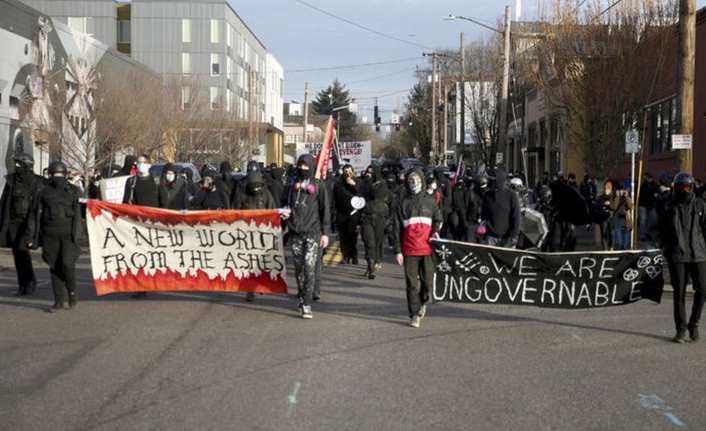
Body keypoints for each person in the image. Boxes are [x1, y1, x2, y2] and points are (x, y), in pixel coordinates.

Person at [25, 161, 83, 312]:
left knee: (67, 263)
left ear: (65, 175)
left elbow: (86, 208)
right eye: (55, 174)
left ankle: (71, 290)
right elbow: (33, 215)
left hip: (69, 235)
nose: (58, 177)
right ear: (50, 175)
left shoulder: (74, 191)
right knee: (54, 266)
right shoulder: (43, 192)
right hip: (50, 235)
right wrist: (30, 236)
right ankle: (58, 300)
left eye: (60, 174)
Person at [658, 172, 706, 343]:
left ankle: (694, 323)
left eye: (687, 187)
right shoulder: (668, 205)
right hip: (676, 253)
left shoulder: (700, 205)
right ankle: (681, 329)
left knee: (702, 290)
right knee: (679, 293)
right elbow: (662, 229)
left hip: (697, 253)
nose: (684, 190)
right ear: (675, 187)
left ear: (692, 187)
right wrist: (660, 247)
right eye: (680, 187)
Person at [281, 154, 330, 319]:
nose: (302, 169)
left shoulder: (319, 185)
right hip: (295, 232)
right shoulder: (290, 185)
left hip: (313, 233)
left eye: (305, 166)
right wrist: (284, 214)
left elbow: (325, 210)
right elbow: (283, 205)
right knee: (299, 270)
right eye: (300, 166)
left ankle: (307, 304)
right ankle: (302, 296)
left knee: (309, 268)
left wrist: (325, 233)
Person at [393, 169, 442, 328]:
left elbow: (438, 219)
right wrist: (398, 251)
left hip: (427, 250)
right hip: (409, 250)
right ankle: (414, 314)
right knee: (411, 284)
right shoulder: (402, 203)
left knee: (428, 284)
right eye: (411, 180)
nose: (414, 182)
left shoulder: (430, 201)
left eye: (416, 179)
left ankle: (422, 302)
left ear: (422, 180)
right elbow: (396, 228)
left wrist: (435, 231)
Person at [0, 153, 45, 295]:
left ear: (27, 165)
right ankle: (23, 283)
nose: (16, 166)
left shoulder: (39, 182)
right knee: (18, 254)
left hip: (29, 222)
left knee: (23, 250)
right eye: (15, 164)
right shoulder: (11, 180)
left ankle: (29, 280)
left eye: (19, 164)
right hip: (13, 222)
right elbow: (4, 203)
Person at [233, 169, 277, 301]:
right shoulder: (242, 195)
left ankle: (262, 284)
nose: (256, 189)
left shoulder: (266, 195)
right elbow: (235, 212)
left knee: (262, 261)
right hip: (246, 234)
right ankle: (250, 289)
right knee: (249, 262)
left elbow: (272, 210)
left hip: (263, 233)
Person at [123, 154, 160, 298]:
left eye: (143, 162)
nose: (140, 165)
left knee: (154, 255)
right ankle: (141, 286)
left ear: (149, 165)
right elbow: (126, 202)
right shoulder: (131, 181)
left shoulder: (156, 182)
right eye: (138, 162)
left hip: (154, 224)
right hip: (137, 223)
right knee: (139, 255)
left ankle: (155, 280)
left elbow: (163, 203)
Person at [359, 164, 392, 279]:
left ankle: (377, 259)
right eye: (368, 171)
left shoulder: (382, 184)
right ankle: (370, 265)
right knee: (369, 242)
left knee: (378, 241)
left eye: (372, 171)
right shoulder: (364, 184)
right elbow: (359, 198)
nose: (369, 173)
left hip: (379, 217)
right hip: (366, 217)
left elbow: (376, 194)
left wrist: (369, 183)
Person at [479, 167, 521, 248]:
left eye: (492, 180)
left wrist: (514, 236)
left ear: (498, 180)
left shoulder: (511, 195)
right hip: (490, 237)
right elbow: (483, 215)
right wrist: (483, 229)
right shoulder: (487, 195)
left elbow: (516, 217)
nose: (489, 182)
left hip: (507, 238)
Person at [332, 164, 360, 264]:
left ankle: (354, 255)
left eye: (349, 171)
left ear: (352, 171)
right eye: (345, 171)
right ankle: (345, 256)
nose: (347, 173)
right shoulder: (338, 183)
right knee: (343, 236)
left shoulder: (358, 181)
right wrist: (334, 212)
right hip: (341, 213)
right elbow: (334, 198)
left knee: (352, 236)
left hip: (354, 213)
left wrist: (354, 185)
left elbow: (361, 195)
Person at [611, 182, 634, 250]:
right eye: (620, 190)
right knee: (619, 243)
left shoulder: (627, 198)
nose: (621, 192)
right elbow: (614, 207)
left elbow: (630, 206)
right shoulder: (613, 197)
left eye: (622, 190)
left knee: (625, 244)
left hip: (626, 223)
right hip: (617, 223)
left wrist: (626, 196)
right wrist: (617, 196)